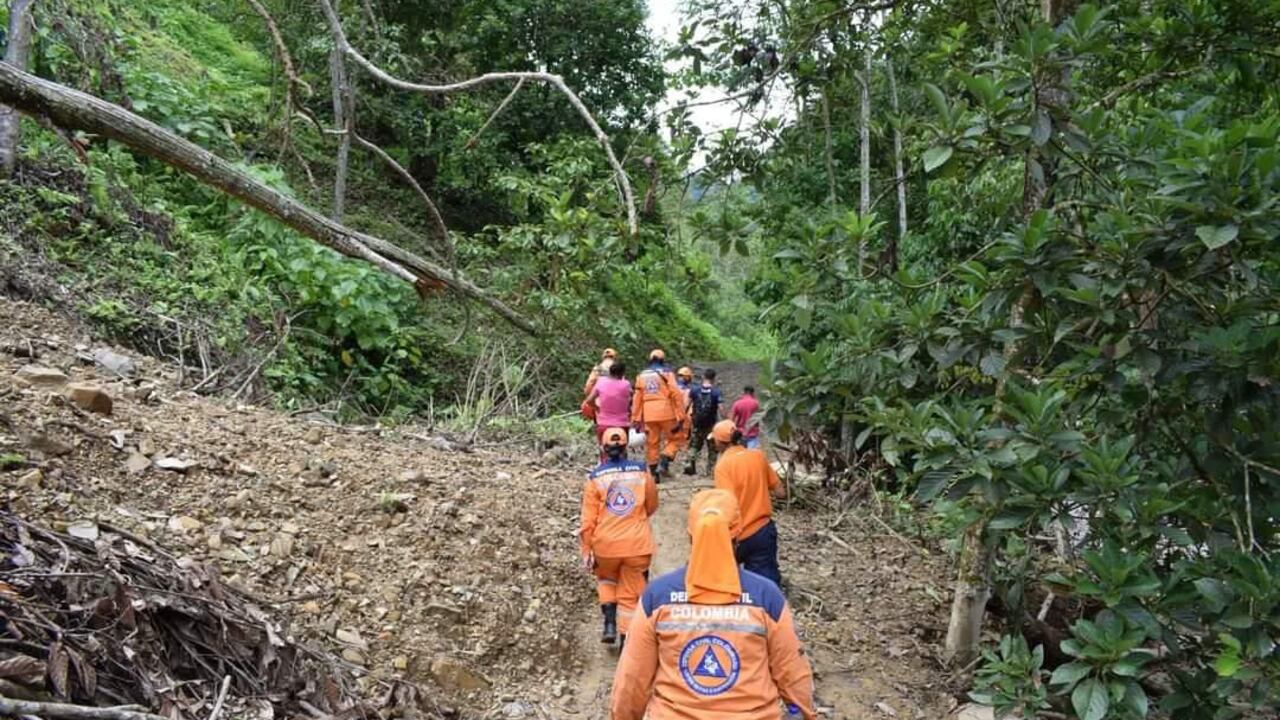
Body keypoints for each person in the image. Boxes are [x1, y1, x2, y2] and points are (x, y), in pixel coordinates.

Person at [609, 489, 816, 720]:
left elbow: (632, 679)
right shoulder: (766, 596)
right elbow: (793, 673)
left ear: (690, 536)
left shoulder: (657, 597)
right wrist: (805, 713)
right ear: (738, 535)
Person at [580, 428, 658, 646]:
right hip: (637, 545)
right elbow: (651, 505)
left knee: (606, 579)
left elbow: (588, 521)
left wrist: (586, 550)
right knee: (630, 592)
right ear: (626, 447)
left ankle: (609, 624)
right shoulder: (642, 471)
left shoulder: (595, 478)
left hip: (605, 546)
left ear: (603, 448)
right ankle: (627, 639)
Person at [711, 420, 786, 586]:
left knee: (730, 582)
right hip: (763, 530)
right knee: (766, 583)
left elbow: (727, 505)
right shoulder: (757, 456)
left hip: (739, 535)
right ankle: (770, 608)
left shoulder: (723, 466)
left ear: (719, 442)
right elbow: (780, 492)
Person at [631, 349, 685, 481]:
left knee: (652, 443)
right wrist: (681, 415)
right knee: (676, 438)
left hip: (649, 414)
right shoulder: (667, 373)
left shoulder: (641, 376)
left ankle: (654, 474)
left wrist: (636, 418)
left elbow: (637, 398)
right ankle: (665, 459)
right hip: (666, 412)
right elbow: (676, 394)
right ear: (662, 360)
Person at [584, 360, 632, 458]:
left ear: (610, 372)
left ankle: (603, 468)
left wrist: (597, 408)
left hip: (603, 424)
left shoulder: (601, 383)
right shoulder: (626, 385)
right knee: (622, 450)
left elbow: (588, 401)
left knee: (604, 450)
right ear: (622, 373)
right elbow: (633, 397)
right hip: (622, 424)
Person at [683, 368, 724, 476]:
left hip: (697, 422)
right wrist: (725, 420)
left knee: (694, 445)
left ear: (703, 377)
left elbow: (687, 405)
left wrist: (683, 417)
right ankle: (711, 470)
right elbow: (721, 408)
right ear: (714, 379)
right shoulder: (716, 392)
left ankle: (689, 463)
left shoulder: (694, 390)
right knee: (712, 448)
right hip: (711, 424)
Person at [670, 366, 695, 459]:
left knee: (671, 436)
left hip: (672, 415)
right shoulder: (689, 390)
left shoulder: (672, 388)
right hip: (685, 416)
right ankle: (681, 454)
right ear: (687, 377)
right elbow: (688, 405)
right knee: (685, 437)